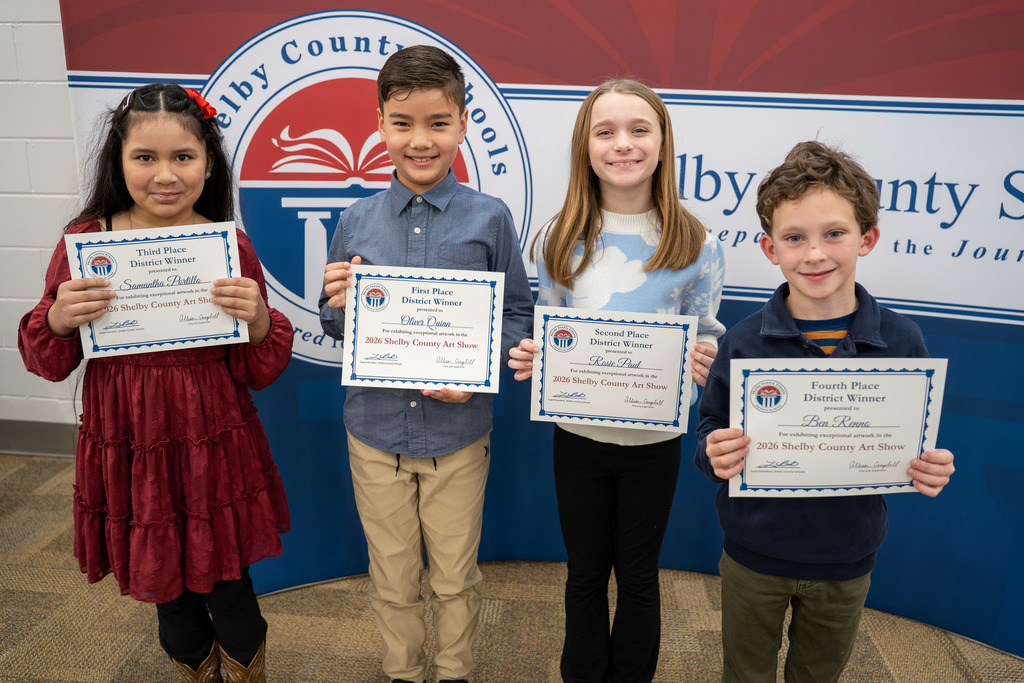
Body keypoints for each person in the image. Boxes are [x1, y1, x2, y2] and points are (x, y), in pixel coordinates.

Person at [18, 82, 292, 682]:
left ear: (208, 163)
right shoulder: (86, 243)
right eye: (145, 157)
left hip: (210, 441)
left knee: (231, 586)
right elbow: (48, 359)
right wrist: (60, 318)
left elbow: (260, 369)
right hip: (133, 442)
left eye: (182, 157)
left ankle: (249, 670)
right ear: (118, 161)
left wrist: (259, 319)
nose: (164, 175)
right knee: (168, 587)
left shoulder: (229, 246)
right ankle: (191, 668)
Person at [693, 140, 956, 682]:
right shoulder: (743, 343)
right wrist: (711, 453)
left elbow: (913, 440)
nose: (815, 254)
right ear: (770, 249)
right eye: (795, 238)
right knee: (744, 675)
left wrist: (929, 466)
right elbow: (710, 428)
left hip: (847, 557)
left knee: (818, 676)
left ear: (868, 237)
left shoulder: (902, 341)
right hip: (753, 555)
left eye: (834, 233)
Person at [319, 46, 533, 683]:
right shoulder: (355, 221)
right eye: (403, 123)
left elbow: (517, 317)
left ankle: (455, 670)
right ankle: (403, 671)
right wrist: (338, 302)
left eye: (439, 123)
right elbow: (336, 323)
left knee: (454, 574)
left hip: (457, 437)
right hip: (375, 432)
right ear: (380, 125)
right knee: (390, 573)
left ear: (463, 124)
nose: (421, 140)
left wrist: (476, 375)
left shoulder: (489, 217)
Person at [507, 79, 726, 683]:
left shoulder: (696, 243)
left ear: (662, 143)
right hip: (576, 437)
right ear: (585, 146)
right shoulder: (557, 238)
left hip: (654, 444)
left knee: (637, 574)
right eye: (605, 132)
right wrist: (533, 357)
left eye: (639, 130)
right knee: (583, 572)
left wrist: (702, 359)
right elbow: (546, 328)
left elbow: (705, 330)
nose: (622, 144)